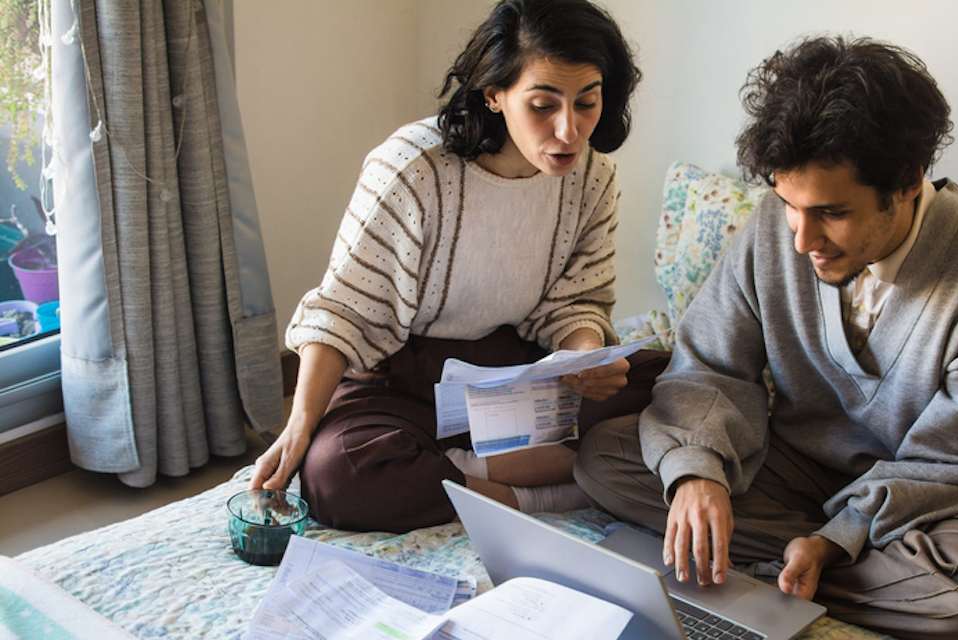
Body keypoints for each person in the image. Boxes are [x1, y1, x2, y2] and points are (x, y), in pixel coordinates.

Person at [574, 36, 958, 640]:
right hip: (800, 465)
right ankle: (788, 559)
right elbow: (710, 365)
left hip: (946, 496)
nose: (801, 238)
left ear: (907, 183)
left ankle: (789, 562)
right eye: (789, 204)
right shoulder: (773, 228)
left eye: (832, 213)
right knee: (607, 458)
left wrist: (840, 535)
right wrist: (699, 471)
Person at [251, 0, 667, 532]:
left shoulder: (594, 178)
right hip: (403, 377)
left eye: (587, 103)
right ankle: (531, 490)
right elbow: (344, 312)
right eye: (543, 106)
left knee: (671, 384)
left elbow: (576, 302)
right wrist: (299, 427)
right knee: (337, 473)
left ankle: (469, 469)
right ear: (494, 95)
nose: (569, 131)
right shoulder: (412, 168)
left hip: (515, 370)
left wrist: (584, 356)